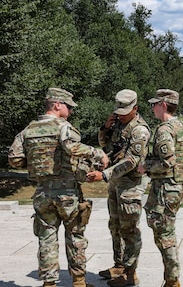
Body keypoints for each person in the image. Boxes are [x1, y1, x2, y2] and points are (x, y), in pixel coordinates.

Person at [8, 88, 109, 287]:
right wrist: (98, 154)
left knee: (46, 238)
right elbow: (72, 147)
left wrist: (37, 164)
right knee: (75, 237)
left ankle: (49, 284)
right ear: (57, 105)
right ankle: (79, 282)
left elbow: (15, 159)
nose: (70, 111)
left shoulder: (28, 130)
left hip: (42, 192)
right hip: (67, 193)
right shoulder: (64, 127)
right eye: (68, 106)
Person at [86, 89, 151, 286]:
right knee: (115, 226)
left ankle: (130, 274)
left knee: (129, 229)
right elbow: (105, 145)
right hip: (116, 183)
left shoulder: (139, 130)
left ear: (136, 108)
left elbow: (131, 161)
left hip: (130, 185)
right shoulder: (118, 125)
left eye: (126, 111)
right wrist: (106, 127)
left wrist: (104, 175)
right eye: (119, 111)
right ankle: (119, 265)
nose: (121, 114)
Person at [137, 89, 183, 287]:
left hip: (165, 189)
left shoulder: (164, 130)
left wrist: (145, 167)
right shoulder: (180, 126)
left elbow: (168, 162)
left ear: (164, 105)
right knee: (163, 232)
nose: (152, 108)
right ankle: (171, 277)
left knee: (165, 235)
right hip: (175, 187)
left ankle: (172, 280)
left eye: (154, 104)